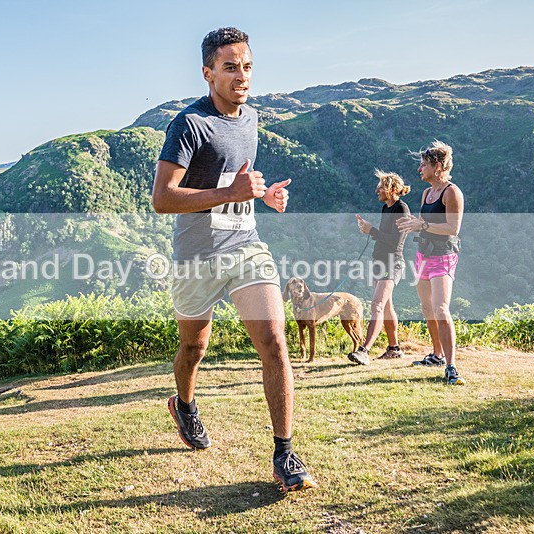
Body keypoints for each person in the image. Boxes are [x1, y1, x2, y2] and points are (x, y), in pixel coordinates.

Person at [152, 27, 316, 491]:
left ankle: (284, 452)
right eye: (229, 67)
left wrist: (261, 195)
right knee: (194, 348)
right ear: (208, 73)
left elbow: (238, 179)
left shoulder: (252, 119)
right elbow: (162, 198)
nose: (241, 76)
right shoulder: (188, 124)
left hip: (246, 247)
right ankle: (184, 405)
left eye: (246, 66)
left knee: (275, 342)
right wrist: (231, 192)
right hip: (195, 257)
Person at [396, 141, 465, 385]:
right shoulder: (427, 193)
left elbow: (452, 228)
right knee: (427, 308)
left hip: (443, 256)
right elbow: (424, 223)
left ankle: (451, 366)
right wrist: (413, 223)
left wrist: (422, 225)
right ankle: (436, 354)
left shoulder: (451, 192)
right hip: (423, 254)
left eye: (423, 165)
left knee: (441, 309)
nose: (419, 170)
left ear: (437, 167)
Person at [349, 170, 411, 365]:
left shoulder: (402, 209)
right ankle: (394, 349)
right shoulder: (387, 208)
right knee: (386, 306)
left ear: (392, 189)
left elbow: (395, 242)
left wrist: (371, 230)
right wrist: (369, 230)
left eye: (380, 186)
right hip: (380, 261)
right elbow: (385, 236)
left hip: (391, 263)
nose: (376, 190)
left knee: (376, 305)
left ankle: (364, 351)